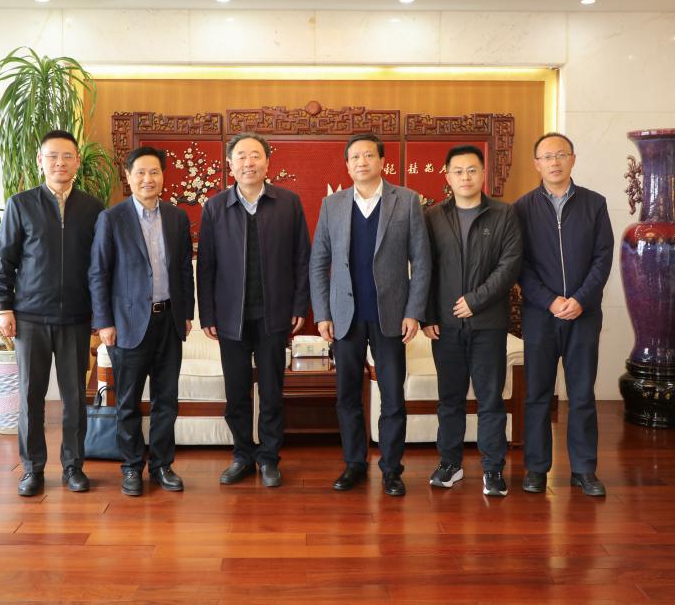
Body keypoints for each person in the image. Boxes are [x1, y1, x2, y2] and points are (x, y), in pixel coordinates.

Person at [310, 133, 431, 497]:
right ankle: (354, 464)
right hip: (344, 316)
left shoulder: (406, 200)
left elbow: (422, 261)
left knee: (392, 395)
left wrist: (414, 312)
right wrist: (322, 313)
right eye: (354, 157)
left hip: (390, 315)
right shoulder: (332, 204)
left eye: (368, 155)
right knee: (347, 395)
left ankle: (392, 469)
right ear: (347, 165)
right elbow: (319, 262)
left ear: (382, 161)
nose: (361, 162)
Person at [0, 129, 104, 497]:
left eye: (67, 156)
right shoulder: (21, 205)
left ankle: (73, 467)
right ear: (40, 161)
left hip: (76, 317)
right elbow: (4, 260)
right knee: (30, 397)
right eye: (52, 156)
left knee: (74, 398)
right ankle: (32, 469)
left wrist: (100, 314)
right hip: (30, 317)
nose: (60, 163)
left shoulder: (93, 208)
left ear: (77, 162)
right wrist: (3, 307)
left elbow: (100, 266)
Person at [197, 132, 311, 488]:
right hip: (230, 317)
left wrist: (299, 305)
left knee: (273, 392)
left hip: (273, 314)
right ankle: (243, 455)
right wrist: (208, 315)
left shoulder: (288, 203)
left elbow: (302, 259)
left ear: (267, 162)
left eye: (256, 155)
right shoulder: (215, 207)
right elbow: (206, 267)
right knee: (236, 392)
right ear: (230, 165)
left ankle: (269, 458)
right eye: (242, 156)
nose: (249, 162)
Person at [89, 146, 194, 497]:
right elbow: (98, 272)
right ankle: (132, 466)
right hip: (127, 324)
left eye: (154, 172)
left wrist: (187, 313)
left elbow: (183, 269)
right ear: (129, 177)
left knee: (167, 400)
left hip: (169, 321)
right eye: (141, 173)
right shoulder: (112, 218)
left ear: (163, 176)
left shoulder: (177, 217)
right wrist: (104, 322)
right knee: (128, 401)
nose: (148, 179)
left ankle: (162, 465)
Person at [514, 132, 614, 497]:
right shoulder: (522, 208)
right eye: (547, 157)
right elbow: (520, 264)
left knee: (582, 394)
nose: (554, 162)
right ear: (536, 164)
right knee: (537, 394)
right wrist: (551, 301)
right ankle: (536, 469)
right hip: (540, 315)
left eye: (561, 155)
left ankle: (584, 470)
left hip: (583, 315)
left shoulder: (594, 204)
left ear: (572, 159)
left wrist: (581, 299)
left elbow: (603, 257)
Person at [422, 144, 522, 496]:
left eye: (472, 170)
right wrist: (428, 315)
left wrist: (476, 301)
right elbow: (426, 268)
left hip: (488, 324)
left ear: (483, 174)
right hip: (446, 326)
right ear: (447, 176)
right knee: (449, 399)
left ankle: (493, 469)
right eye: (458, 171)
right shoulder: (433, 216)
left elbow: (510, 265)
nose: (465, 177)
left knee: (490, 399)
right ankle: (449, 464)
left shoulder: (504, 214)